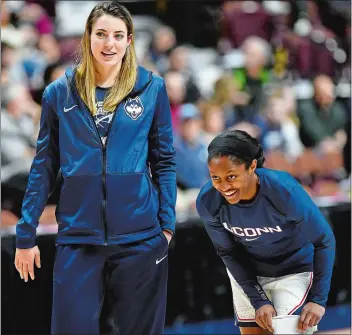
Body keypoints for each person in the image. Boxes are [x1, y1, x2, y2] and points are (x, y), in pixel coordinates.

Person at [14, 2, 176, 335]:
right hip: (78, 240)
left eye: (118, 35)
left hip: (141, 239)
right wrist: (25, 233)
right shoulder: (58, 93)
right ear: (88, 37)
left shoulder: (152, 89)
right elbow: (44, 165)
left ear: (129, 41)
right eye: (101, 34)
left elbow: (164, 162)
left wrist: (167, 226)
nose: (109, 43)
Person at [196, 130, 335, 334]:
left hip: (294, 270)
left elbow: (324, 240)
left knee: (288, 331)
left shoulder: (283, 191)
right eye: (215, 177)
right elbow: (229, 252)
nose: (223, 186)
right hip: (249, 272)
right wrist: (258, 299)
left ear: (252, 166)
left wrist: (318, 300)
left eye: (231, 176)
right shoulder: (208, 201)